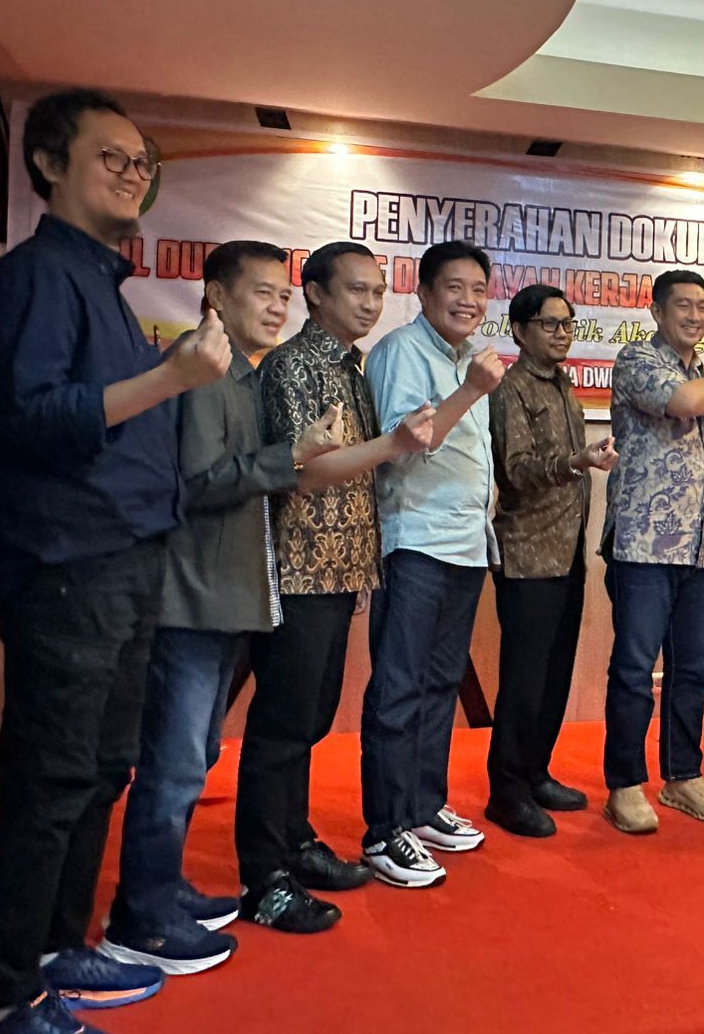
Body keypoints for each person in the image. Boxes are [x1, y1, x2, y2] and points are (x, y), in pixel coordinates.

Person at [0, 89, 230, 1033]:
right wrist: (173, 377)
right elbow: (31, 421)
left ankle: (54, 944)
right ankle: (5, 996)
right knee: (49, 781)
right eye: (111, 157)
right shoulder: (32, 278)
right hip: (68, 562)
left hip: (126, 559)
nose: (132, 174)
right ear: (47, 164)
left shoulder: (100, 286)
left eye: (141, 162)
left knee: (106, 765)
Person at [102, 241, 344, 974]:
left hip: (223, 595)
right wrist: (290, 455)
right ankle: (140, 920)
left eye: (283, 294)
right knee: (175, 763)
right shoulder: (200, 365)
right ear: (214, 294)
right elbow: (198, 484)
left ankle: (162, 888)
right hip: (189, 596)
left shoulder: (242, 371)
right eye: (262, 292)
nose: (277, 306)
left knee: (195, 756)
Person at [237, 242, 435, 925]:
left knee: (312, 719)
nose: (371, 303)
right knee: (282, 724)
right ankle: (263, 875)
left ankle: (293, 842)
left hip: (341, 566)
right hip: (298, 567)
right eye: (357, 290)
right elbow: (305, 471)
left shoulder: (352, 366)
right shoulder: (293, 364)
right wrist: (396, 444)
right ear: (315, 293)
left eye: (378, 291)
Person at [358, 240, 505, 887]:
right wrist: (470, 392)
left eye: (478, 289)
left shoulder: (472, 358)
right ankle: (384, 829)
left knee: (441, 682)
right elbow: (406, 445)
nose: (468, 300)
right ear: (423, 293)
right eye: (454, 287)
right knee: (400, 686)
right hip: (415, 538)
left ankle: (421, 806)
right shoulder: (400, 352)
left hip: (466, 542)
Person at [600, 269, 704, 834]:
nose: (695, 316)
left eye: (703, 306)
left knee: (694, 669)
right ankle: (625, 784)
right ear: (657, 312)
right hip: (642, 545)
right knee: (635, 669)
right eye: (683, 305)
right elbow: (681, 403)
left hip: (700, 549)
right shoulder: (638, 359)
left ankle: (683, 776)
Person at [486, 285, 617, 838]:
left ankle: (536, 772)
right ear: (519, 331)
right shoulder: (510, 387)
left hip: (566, 551)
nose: (562, 333)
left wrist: (583, 460)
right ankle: (506, 792)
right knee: (524, 678)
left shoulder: (563, 384)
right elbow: (515, 470)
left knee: (555, 672)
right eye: (549, 324)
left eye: (568, 324)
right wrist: (576, 461)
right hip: (527, 551)